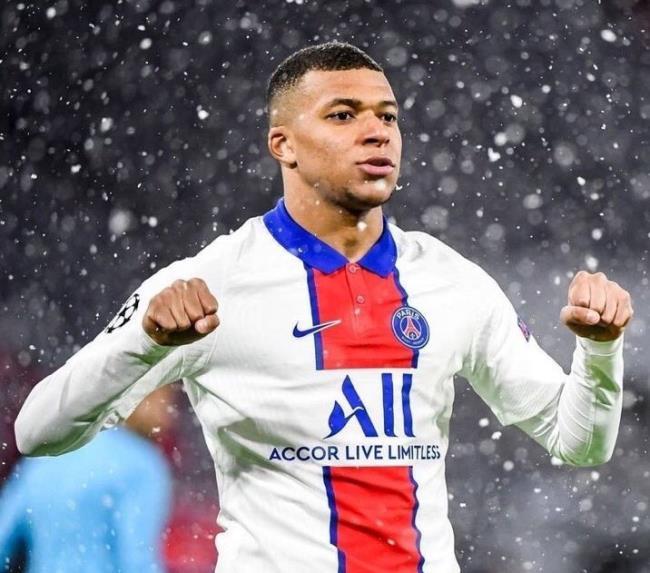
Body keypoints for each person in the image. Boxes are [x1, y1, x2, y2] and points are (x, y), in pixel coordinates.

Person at [14, 42, 633, 573]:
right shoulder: (210, 283)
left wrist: (600, 349)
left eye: (387, 116)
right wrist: (146, 343)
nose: (377, 131)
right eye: (343, 114)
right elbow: (37, 432)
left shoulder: (452, 281)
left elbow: (578, 442)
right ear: (283, 145)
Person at [2, 387, 174, 573]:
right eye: (160, 397)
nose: (166, 413)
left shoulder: (43, 457)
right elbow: (136, 559)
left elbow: (3, 535)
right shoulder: (141, 465)